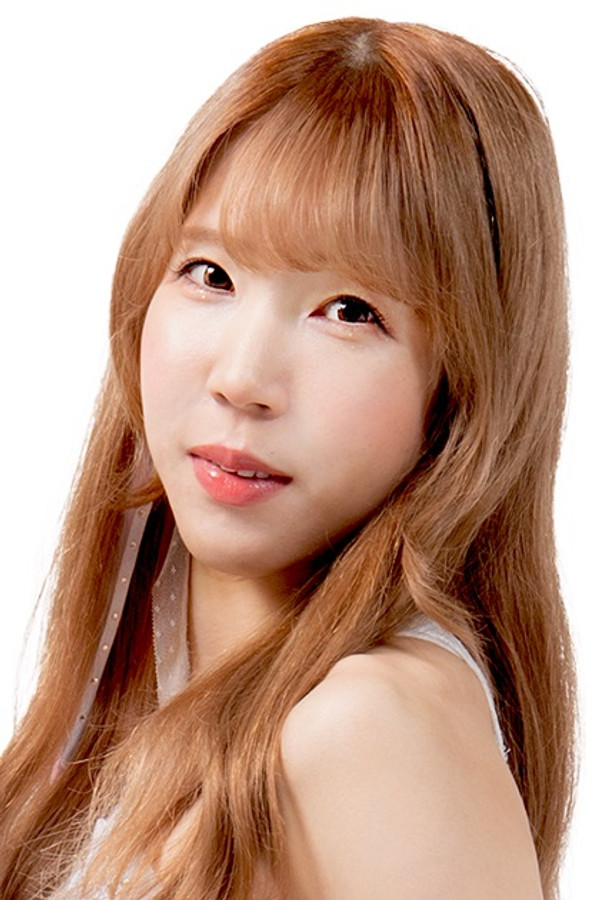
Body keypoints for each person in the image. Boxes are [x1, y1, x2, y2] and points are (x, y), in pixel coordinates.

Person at [0, 16, 576, 900]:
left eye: (350, 312)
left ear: (461, 387)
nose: (242, 379)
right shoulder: (129, 702)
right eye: (211, 274)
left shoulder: (374, 727)